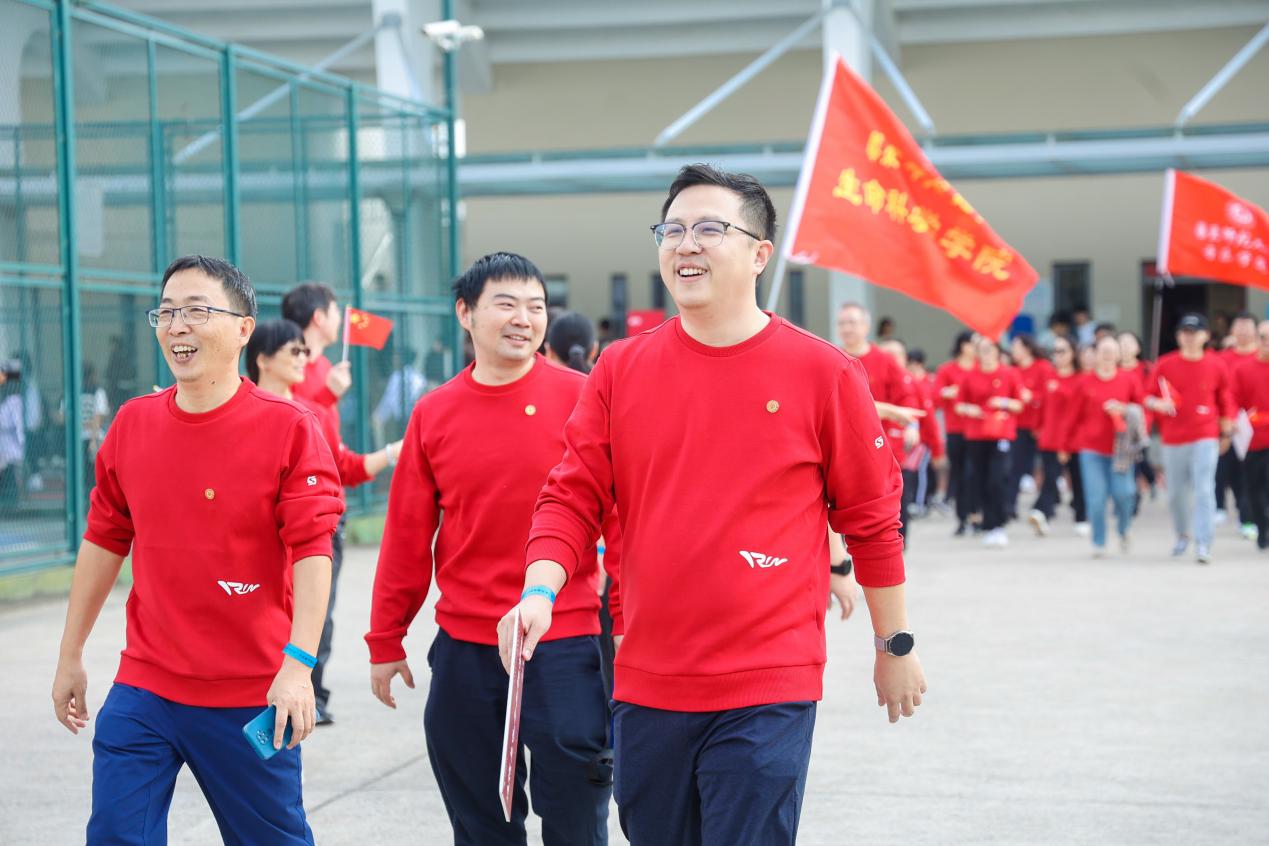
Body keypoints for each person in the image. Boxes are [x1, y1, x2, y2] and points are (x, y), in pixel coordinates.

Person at [497, 164, 925, 845]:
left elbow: (872, 521)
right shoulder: (620, 369)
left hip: (768, 681)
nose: (685, 244)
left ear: (759, 254)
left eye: (708, 229)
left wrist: (892, 644)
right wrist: (539, 591)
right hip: (648, 678)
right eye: (671, 230)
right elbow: (571, 496)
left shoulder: (823, 373)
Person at [50, 255, 342, 843]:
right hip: (146, 689)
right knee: (116, 834)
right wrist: (70, 654)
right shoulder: (132, 425)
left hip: (251, 693)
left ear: (243, 328)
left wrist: (299, 666)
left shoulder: (289, 426)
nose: (177, 326)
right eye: (167, 312)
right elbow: (104, 538)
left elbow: (314, 551)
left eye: (197, 311)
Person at [367, 253, 613, 845]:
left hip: (565, 640)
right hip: (467, 647)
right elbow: (406, 536)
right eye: (506, 304)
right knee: (480, 820)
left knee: (578, 812)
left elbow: (621, 517)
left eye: (536, 306)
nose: (523, 318)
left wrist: (628, 620)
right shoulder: (434, 413)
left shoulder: (584, 399)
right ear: (465, 313)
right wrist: (385, 638)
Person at [281, 282, 354, 725]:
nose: (341, 319)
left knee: (322, 608)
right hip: (301, 511)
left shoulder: (325, 366)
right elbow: (296, 420)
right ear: (319, 318)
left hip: (329, 505)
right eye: (336, 311)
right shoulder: (297, 367)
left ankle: (314, 690)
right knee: (305, 605)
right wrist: (327, 395)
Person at [248, 318, 402, 491]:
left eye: (305, 351)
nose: (303, 358)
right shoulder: (241, 411)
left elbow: (341, 466)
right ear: (263, 360)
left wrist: (391, 453)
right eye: (295, 351)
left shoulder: (315, 413)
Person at [1145, 313, 1234, 564]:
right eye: (1185, 332)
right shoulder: (1165, 364)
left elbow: (1225, 398)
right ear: (1178, 336)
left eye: (1194, 333)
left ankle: (1204, 542)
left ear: (1206, 336)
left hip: (1205, 434)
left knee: (1204, 488)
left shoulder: (1216, 364)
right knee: (1175, 493)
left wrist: (1226, 429)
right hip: (1173, 437)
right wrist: (1157, 404)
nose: (1189, 337)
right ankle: (1183, 534)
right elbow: (1146, 395)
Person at [837, 302, 921, 541]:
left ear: (866, 326)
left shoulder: (884, 360)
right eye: (842, 323)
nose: (847, 328)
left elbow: (907, 397)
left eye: (852, 322)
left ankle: (896, 546)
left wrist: (912, 425)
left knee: (889, 503)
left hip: (882, 446)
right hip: (845, 447)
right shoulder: (833, 357)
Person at [1072, 335, 1143, 557]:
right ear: (1095, 354)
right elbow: (1073, 416)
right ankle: (1099, 540)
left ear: (1118, 355)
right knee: (1096, 498)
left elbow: (1141, 409)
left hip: (1120, 448)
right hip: (1091, 449)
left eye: (1112, 351)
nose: (1107, 355)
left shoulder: (1129, 379)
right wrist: (1066, 444)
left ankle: (1124, 528)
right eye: (1103, 351)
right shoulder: (1084, 382)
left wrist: (1124, 409)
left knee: (1125, 493)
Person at [956, 337, 1022, 547]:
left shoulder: (1009, 373)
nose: (986, 353)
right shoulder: (970, 375)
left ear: (997, 351)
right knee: (980, 479)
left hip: (1001, 433)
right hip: (976, 434)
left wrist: (1002, 402)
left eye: (989, 349)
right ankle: (988, 523)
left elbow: (1020, 404)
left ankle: (999, 523)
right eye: (982, 349)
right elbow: (959, 404)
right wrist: (971, 409)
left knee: (998, 478)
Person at [1032, 334, 1081, 535]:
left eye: (1062, 351)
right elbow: (1040, 405)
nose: (1058, 356)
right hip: (1050, 437)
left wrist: (1059, 390)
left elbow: (1078, 407)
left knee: (1078, 479)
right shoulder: (1048, 377)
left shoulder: (1081, 378)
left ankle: (1082, 516)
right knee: (1051, 477)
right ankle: (1042, 513)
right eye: (1055, 351)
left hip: (1075, 438)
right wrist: (1037, 427)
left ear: (1073, 353)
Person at [1216, 311, 1259, 539]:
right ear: (1232, 330)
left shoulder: (1261, 357)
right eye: (1239, 327)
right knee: (1229, 473)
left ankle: (1248, 518)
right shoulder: (1221, 359)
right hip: (1228, 425)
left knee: (1251, 474)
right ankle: (1229, 509)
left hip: (1257, 427)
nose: (1243, 331)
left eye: (1247, 327)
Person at [1230, 319, 1269, 551]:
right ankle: (1262, 529)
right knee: (1254, 489)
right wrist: (1234, 419)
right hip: (1252, 441)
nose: (1267, 342)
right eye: (1263, 337)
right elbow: (1232, 399)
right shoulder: (1243, 369)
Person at [934, 331, 978, 534]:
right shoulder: (947, 369)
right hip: (956, 428)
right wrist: (947, 392)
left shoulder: (981, 367)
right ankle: (962, 518)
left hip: (979, 430)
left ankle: (976, 514)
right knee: (959, 474)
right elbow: (935, 396)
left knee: (974, 474)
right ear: (962, 345)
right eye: (972, 343)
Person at [1008, 334, 1053, 518]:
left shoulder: (1043, 367)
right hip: (1018, 425)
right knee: (1014, 467)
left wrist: (1032, 397)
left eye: (1016, 347)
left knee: (1049, 467)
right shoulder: (1012, 369)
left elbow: (1050, 396)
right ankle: (1009, 505)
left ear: (1027, 348)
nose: (1013, 351)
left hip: (1041, 425)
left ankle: (1045, 505)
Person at [1118, 331, 1157, 510]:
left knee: (1137, 460)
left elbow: (1151, 395)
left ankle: (1134, 497)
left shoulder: (1147, 369)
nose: (1125, 347)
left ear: (1138, 348)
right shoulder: (1112, 369)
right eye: (1121, 343)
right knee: (1130, 461)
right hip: (1118, 423)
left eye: (1129, 343)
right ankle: (1149, 481)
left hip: (1141, 423)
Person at [373, 344, 427, 444]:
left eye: (396, 355)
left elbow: (389, 401)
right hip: (420, 421)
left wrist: (380, 415)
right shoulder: (419, 378)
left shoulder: (396, 377)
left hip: (403, 422)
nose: (393, 358)